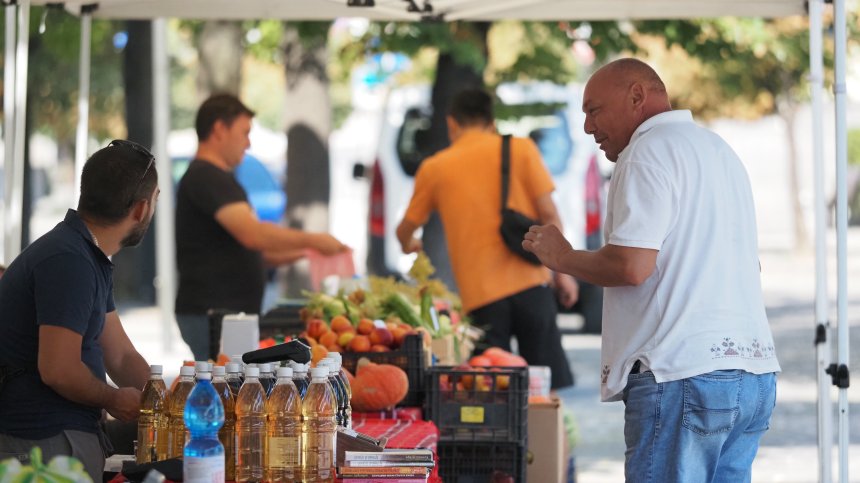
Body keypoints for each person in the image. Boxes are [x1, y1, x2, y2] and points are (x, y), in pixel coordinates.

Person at [523, 58, 781, 482]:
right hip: (753, 374)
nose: (588, 127)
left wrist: (562, 257)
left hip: (682, 375)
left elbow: (632, 265)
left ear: (637, 96)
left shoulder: (647, 150)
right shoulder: (718, 150)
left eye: (594, 110)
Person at [396, 88, 578, 390]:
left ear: (451, 123)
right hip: (532, 282)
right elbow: (550, 215)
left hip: (481, 297)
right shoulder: (521, 150)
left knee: (493, 395)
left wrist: (409, 245)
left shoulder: (435, 168)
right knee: (544, 389)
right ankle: (546, 436)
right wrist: (563, 274)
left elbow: (405, 228)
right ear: (491, 122)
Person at [0, 140, 159, 482]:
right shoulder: (69, 260)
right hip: (40, 444)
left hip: (56, 440)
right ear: (142, 209)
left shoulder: (84, 254)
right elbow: (57, 368)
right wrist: (114, 399)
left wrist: (174, 403)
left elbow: (120, 355)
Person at [175, 93, 348, 361]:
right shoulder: (206, 177)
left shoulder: (218, 179)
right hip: (210, 314)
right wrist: (314, 239)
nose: (248, 143)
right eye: (244, 133)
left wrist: (306, 252)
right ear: (220, 129)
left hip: (226, 314)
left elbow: (256, 253)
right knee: (226, 390)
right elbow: (253, 236)